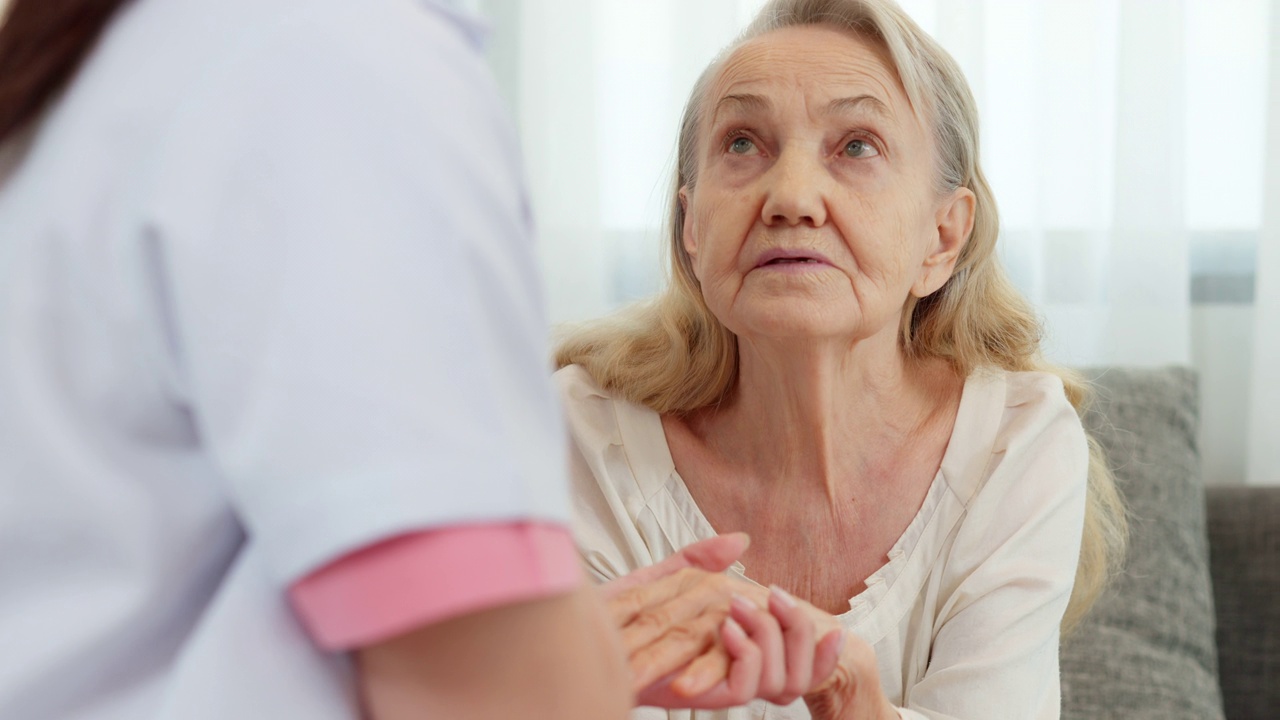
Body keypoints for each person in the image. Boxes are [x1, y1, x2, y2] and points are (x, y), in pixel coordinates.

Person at [0, 0, 727, 716]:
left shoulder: (152, 56)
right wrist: (551, 666)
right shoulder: (333, 69)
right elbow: (488, 694)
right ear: (686, 219)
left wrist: (564, 643)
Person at [554, 0, 1129, 717]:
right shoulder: (580, 436)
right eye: (741, 144)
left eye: (856, 146)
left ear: (942, 239)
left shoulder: (1014, 447)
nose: (791, 198)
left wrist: (861, 707)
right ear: (691, 226)